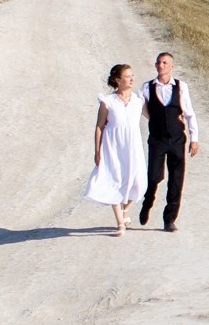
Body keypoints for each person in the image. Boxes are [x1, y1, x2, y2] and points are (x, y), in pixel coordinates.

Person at [137, 50, 201, 232]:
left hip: (177, 139)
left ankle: (169, 218)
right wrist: (153, 118)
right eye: (158, 62)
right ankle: (147, 202)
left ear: (172, 66)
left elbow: (189, 113)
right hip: (157, 139)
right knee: (154, 176)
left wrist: (194, 139)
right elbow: (140, 107)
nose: (161, 65)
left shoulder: (181, 87)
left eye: (165, 62)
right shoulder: (147, 87)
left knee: (176, 179)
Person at [85, 63, 147, 236]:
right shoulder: (108, 102)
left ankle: (125, 208)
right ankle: (120, 223)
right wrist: (97, 151)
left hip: (133, 146)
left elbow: (152, 117)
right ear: (118, 80)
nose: (132, 78)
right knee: (115, 180)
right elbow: (99, 126)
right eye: (127, 76)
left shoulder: (138, 100)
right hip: (113, 146)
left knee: (138, 181)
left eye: (132, 75)